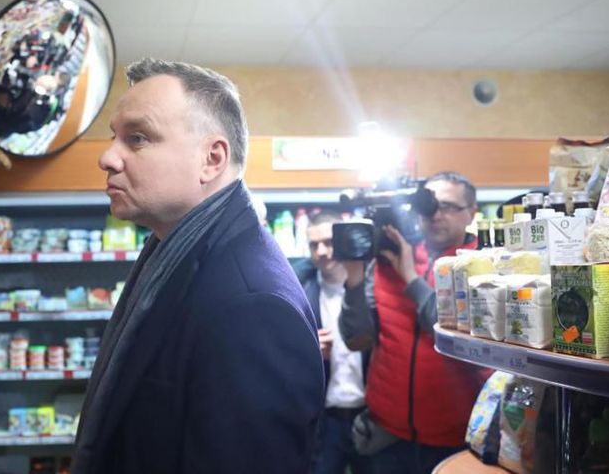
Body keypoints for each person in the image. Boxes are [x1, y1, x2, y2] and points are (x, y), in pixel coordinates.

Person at [72, 58, 324, 474]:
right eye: (114, 137)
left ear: (212, 158)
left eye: (137, 138)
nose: (107, 158)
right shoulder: (173, 251)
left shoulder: (252, 305)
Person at [339, 171, 490, 474]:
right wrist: (353, 279)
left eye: (447, 206)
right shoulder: (388, 258)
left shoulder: (484, 263)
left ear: (471, 212)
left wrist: (410, 278)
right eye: (427, 205)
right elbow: (357, 338)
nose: (435, 214)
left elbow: (457, 336)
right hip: (388, 436)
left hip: (456, 437)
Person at [292, 212, 369, 474]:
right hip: (325, 419)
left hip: (372, 416)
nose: (322, 251)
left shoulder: (372, 289)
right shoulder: (298, 293)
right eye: (314, 245)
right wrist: (307, 350)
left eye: (328, 242)